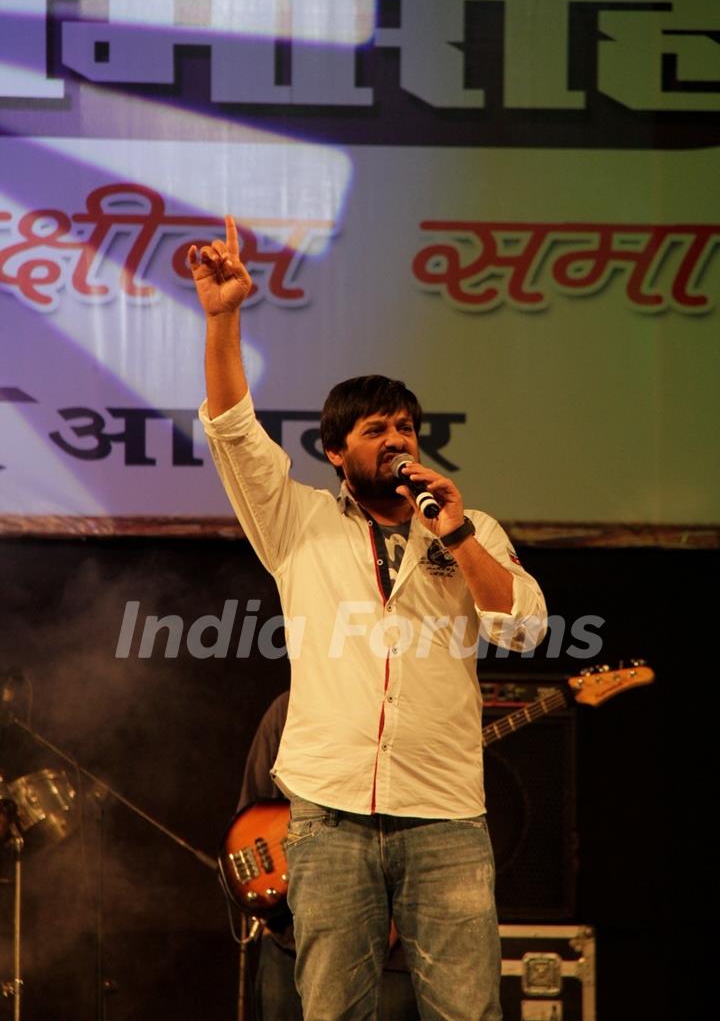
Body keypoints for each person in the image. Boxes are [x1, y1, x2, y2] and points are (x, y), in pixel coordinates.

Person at [191, 218, 547, 1021]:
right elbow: (235, 436)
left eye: (406, 428)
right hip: (329, 815)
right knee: (335, 1012)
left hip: (447, 815)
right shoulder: (299, 524)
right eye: (376, 429)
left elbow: (521, 628)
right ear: (337, 451)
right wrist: (222, 319)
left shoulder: (468, 527)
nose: (397, 440)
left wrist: (453, 530)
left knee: (466, 1011)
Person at [237, 692, 420, 1021]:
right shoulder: (287, 708)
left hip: (386, 947)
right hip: (290, 938)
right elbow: (250, 813)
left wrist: (393, 919)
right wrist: (267, 897)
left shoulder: (405, 710)